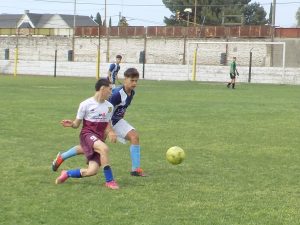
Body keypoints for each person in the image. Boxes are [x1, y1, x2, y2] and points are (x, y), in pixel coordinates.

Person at [52, 68, 146, 177]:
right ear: (125, 79)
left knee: (134, 137)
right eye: (132, 80)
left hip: (116, 120)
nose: (134, 83)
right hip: (106, 122)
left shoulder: (131, 93)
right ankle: (63, 157)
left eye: (136, 81)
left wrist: (121, 114)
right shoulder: (116, 94)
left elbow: (120, 108)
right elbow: (104, 109)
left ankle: (136, 169)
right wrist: (108, 130)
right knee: (92, 148)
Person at [54, 78, 119, 190]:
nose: (111, 92)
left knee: (92, 171)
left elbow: (107, 124)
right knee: (104, 149)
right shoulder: (85, 104)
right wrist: (71, 124)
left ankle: (67, 173)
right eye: (110, 89)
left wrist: (111, 132)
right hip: (87, 135)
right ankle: (110, 181)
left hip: (98, 138)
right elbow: (76, 124)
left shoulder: (109, 107)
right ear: (102, 89)